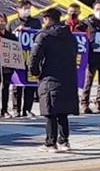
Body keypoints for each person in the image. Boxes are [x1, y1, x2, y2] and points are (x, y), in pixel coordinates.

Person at [30, 8, 79, 152]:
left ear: (47, 19)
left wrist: (35, 72)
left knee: (50, 109)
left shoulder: (43, 35)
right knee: (63, 110)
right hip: (68, 76)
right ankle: (64, 141)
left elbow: (34, 56)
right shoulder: (70, 35)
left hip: (50, 75)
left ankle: (50, 143)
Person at [7, 0, 42, 117]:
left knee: (30, 85)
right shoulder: (12, 23)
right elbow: (6, 38)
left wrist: (28, 30)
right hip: (17, 57)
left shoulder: (36, 22)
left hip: (31, 57)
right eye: (24, 8)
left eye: (28, 8)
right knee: (17, 85)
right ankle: (16, 109)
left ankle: (27, 108)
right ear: (18, 9)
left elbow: (40, 36)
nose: (26, 10)